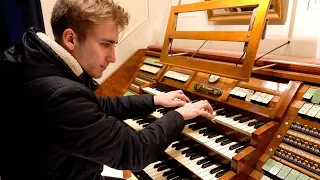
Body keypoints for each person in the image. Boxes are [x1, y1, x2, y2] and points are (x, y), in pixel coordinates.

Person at [0, 0, 214, 179]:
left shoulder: (36, 66)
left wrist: (156, 101)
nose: (112, 57)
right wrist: (180, 115)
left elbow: (101, 105)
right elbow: (135, 151)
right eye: (106, 44)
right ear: (70, 39)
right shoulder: (58, 95)